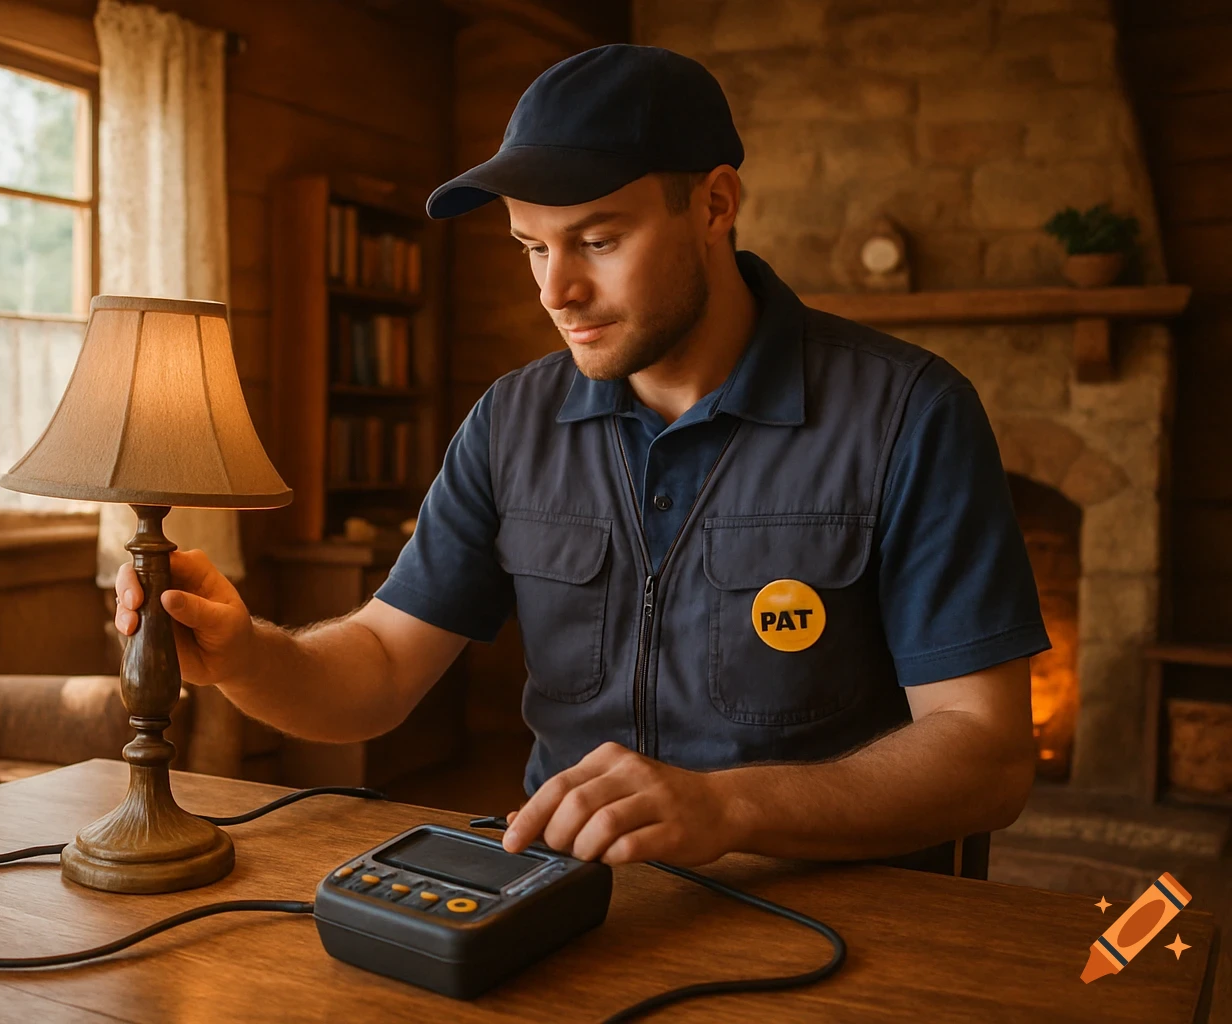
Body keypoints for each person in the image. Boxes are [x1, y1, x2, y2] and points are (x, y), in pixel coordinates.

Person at [114, 44, 1048, 874]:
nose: (558, 290)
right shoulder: (510, 421)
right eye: (531, 247)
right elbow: (379, 668)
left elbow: (987, 754)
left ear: (715, 204)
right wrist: (244, 654)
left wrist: (727, 807)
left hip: (853, 921)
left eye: (599, 240)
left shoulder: (911, 412)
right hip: (573, 901)